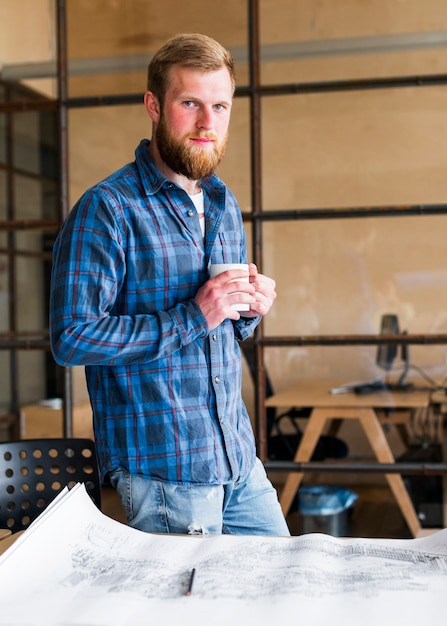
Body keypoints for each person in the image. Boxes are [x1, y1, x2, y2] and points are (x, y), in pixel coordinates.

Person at [50, 33, 290, 537]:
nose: (208, 123)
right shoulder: (108, 209)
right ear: (154, 106)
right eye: (190, 104)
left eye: (220, 105)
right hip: (168, 473)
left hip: (239, 462)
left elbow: (219, 327)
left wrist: (245, 309)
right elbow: (71, 338)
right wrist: (193, 316)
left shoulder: (224, 204)